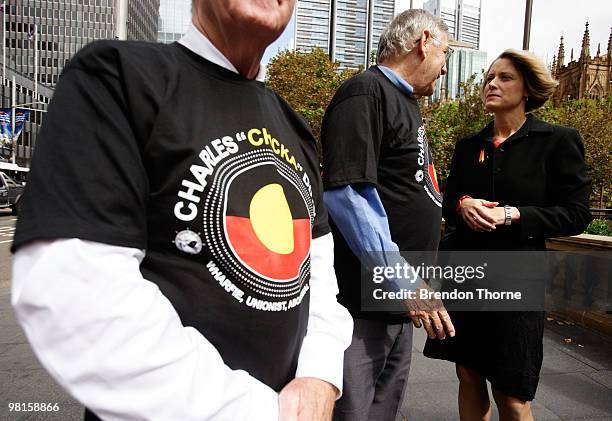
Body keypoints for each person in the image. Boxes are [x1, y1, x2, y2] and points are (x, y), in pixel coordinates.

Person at [10, 1, 354, 420]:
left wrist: (319, 375)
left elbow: (317, 272)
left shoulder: (294, 124)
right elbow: (75, 292)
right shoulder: (118, 77)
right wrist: (261, 412)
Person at [423, 49, 592, 421]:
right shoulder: (469, 146)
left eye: (505, 78)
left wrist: (512, 214)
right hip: (465, 276)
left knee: (512, 393)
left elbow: (577, 213)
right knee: (467, 374)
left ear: (528, 89)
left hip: (517, 281)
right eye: (489, 77)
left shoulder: (558, 141)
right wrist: (463, 203)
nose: (491, 84)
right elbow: (448, 200)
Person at [321, 9, 455, 421]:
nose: (446, 67)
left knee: (383, 410)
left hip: (397, 301)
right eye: (445, 52)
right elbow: (347, 194)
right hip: (367, 301)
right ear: (424, 41)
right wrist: (402, 280)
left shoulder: (406, 103)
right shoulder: (365, 92)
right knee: (354, 411)